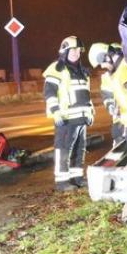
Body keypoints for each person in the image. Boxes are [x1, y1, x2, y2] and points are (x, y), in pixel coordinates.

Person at [43, 36, 94, 190]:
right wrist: (56, 112)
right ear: (64, 51)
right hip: (66, 119)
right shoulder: (56, 68)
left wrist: (90, 112)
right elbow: (49, 93)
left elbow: (86, 95)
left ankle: (77, 178)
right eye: (72, 50)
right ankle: (62, 182)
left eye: (78, 50)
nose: (75, 53)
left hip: (81, 118)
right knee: (64, 149)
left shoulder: (83, 71)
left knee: (80, 149)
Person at [88, 42, 127, 167]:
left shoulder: (125, 68)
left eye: (101, 63)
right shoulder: (116, 72)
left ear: (106, 56)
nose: (102, 67)